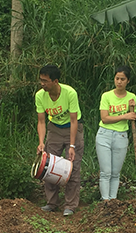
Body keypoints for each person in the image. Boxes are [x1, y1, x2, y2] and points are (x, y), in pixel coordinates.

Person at [36, 65, 84, 216]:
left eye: (45, 81)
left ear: (55, 81)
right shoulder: (40, 96)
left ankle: (70, 204)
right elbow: (42, 121)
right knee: (48, 165)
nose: (42, 84)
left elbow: (74, 120)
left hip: (73, 128)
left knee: (73, 166)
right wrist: (41, 141)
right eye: (41, 80)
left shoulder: (70, 93)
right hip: (54, 129)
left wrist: (71, 145)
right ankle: (52, 202)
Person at [96, 66, 136, 201]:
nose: (119, 82)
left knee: (115, 172)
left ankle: (113, 200)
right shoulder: (106, 96)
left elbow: (132, 116)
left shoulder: (132, 97)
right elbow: (105, 118)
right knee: (105, 172)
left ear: (128, 81)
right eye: (117, 78)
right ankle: (105, 200)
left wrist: (131, 111)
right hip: (104, 135)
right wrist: (125, 116)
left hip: (121, 135)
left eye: (122, 79)